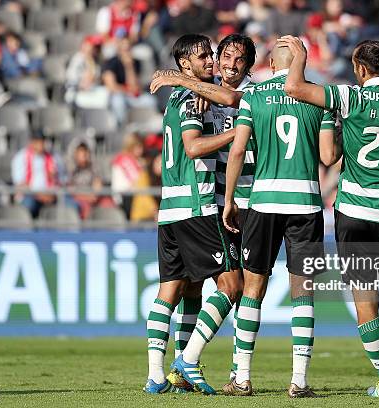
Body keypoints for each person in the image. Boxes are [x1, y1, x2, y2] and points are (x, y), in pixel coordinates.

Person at [280, 36, 379, 398]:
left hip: (355, 210)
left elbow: (294, 88)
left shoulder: (352, 97)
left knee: (365, 299)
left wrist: (299, 56)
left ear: (361, 68)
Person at [222, 43, 338, 397]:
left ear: (270, 63)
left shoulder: (254, 94)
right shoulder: (318, 96)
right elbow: (328, 156)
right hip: (304, 203)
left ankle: (242, 378)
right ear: (301, 62)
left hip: (263, 202)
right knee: (303, 291)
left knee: (253, 289)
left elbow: (239, 149)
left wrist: (229, 200)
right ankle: (299, 380)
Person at [150, 32, 257, 388]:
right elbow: (194, 148)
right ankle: (188, 360)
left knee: (180, 289)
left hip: (170, 208)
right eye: (204, 56)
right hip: (197, 205)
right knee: (231, 284)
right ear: (185, 64)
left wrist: (191, 85)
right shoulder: (189, 97)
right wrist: (239, 132)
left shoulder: (192, 95)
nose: (213, 61)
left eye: (213, 54)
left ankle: (158, 377)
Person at [11, 132, 68, 218]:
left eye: (42, 141)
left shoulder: (54, 157)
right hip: (29, 195)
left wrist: (52, 192)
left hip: (51, 195)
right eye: (37, 142)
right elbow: (20, 184)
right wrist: (40, 195)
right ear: (31, 142)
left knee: (67, 204)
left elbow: (62, 180)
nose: (40, 145)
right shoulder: (21, 157)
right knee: (29, 204)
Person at [101, 37, 155, 125]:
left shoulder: (136, 62)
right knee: (118, 101)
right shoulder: (111, 62)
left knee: (150, 101)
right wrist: (128, 90)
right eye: (124, 48)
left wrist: (129, 67)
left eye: (128, 48)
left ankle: (147, 129)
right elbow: (111, 86)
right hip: (118, 94)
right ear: (119, 49)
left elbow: (135, 86)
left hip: (130, 94)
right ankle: (122, 127)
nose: (126, 51)